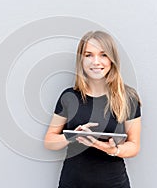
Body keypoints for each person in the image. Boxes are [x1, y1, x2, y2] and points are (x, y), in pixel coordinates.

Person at [44, 31, 142, 188]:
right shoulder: (69, 97)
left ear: (112, 59)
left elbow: (134, 146)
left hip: (114, 184)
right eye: (88, 55)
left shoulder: (128, 97)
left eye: (103, 55)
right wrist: (73, 136)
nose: (96, 61)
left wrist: (111, 149)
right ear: (81, 60)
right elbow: (49, 141)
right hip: (72, 183)